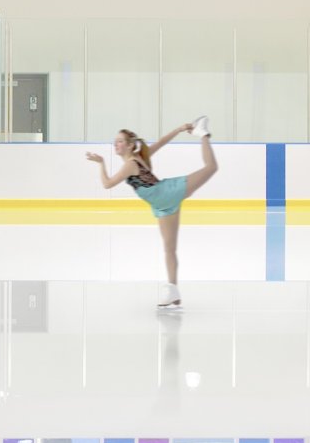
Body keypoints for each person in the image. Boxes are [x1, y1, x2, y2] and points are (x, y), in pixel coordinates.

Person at [85, 116, 216, 309]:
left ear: (130, 145)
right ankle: (173, 291)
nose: (116, 144)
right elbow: (162, 141)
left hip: (168, 192)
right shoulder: (138, 158)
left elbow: (107, 184)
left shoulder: (131, 163)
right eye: (115, 141)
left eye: (120, 141)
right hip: (161, 205)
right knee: (169, 249)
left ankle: (203, 133)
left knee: (211, 167)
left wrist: (102, 163)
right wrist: (179, 128)